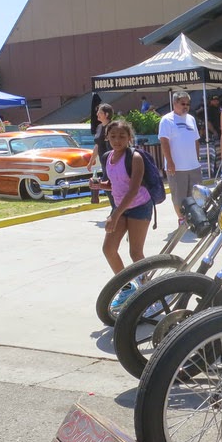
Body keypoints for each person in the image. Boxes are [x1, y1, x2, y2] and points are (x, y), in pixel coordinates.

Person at [99, 120, 153, 304]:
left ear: (130, 137)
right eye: (113, 136)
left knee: (135, 253)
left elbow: (133, 189)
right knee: (108, 249)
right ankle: (127, 288)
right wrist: (99, 185)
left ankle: (149, 291)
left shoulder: (135, 157)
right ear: (107, 137)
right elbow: (114, 182)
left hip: (139, 205)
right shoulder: (107, 157)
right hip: (121, 207)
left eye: (122, 136)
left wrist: (114, 215)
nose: (117, 140)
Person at [158, 90, 202, 223]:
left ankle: (194, 219)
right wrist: (170, 162)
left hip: (193, 166)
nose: (186, 106)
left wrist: (197, 158)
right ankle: (182, 220)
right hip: (177, 168)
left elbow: (196, 140)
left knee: (195, 196)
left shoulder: (191, 119)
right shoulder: (166, 120)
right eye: (183, 103)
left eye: (188, 104)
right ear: (175, 103)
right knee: (179, 197)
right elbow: (164, 142)